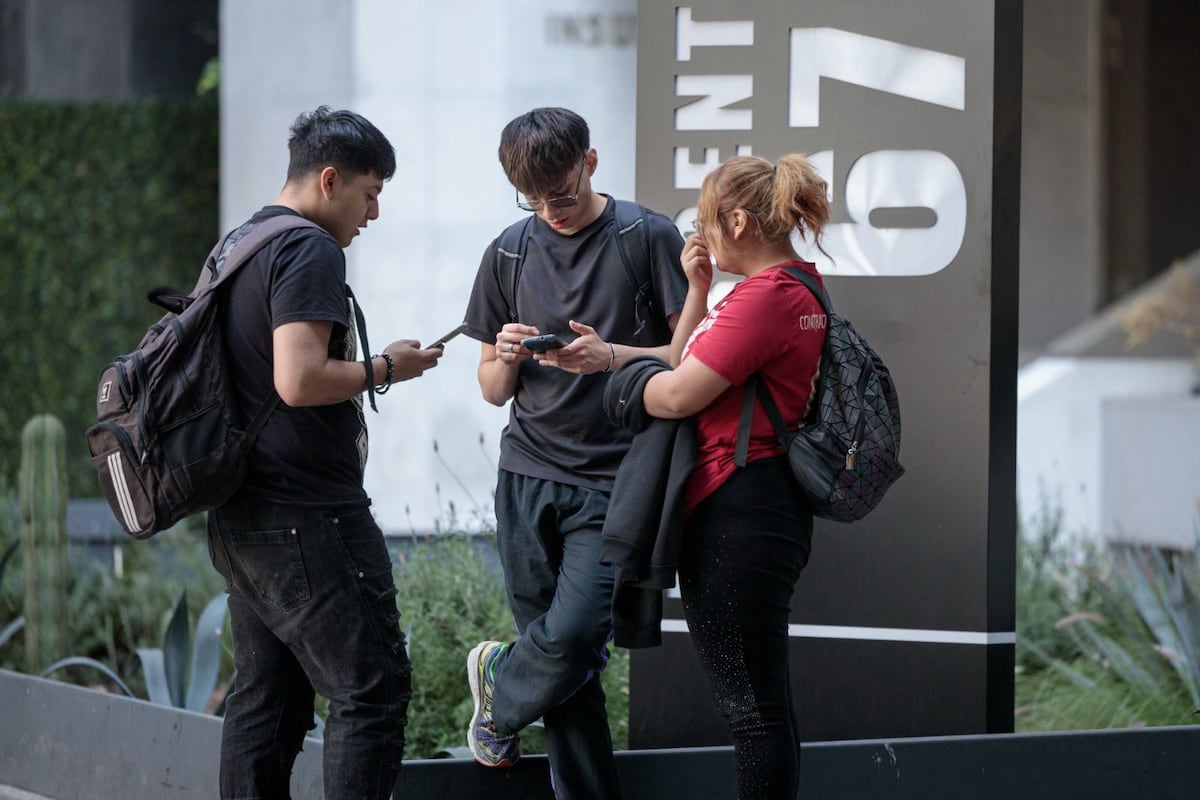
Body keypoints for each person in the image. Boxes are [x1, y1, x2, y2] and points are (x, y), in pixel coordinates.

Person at [206, 106, 443, 800]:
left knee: (267, 698)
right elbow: (299, 378)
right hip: (307, 514)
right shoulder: (309, 248)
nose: (373, 213)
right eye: (370, 194)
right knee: (372, 691)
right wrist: (387, 368)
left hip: (242, 511)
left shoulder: (238, 243)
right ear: (330, 180)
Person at [460, 106, 688, 799]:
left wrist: (610, 355)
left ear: (590, 162)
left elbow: (693, 356)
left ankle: (500, 681)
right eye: (532, 200)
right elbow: (492, 390)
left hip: (615, 479)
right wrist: (504, 355)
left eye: (560, 193)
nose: (550, 212)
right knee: (568, 679)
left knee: (578, 635)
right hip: (526, 475)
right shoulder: (507, 251)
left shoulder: (645, 236)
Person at [636, 153, 831, 799]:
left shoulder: (767, 297)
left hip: (738, 506)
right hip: (757, 502)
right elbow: (681, 362)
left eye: (704, 220)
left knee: (753, 712)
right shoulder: (796, 286)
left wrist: (620, 387)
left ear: (739, 222)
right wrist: (697, 293)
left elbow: (676, 393)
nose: (699, 233)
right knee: (760, 706)